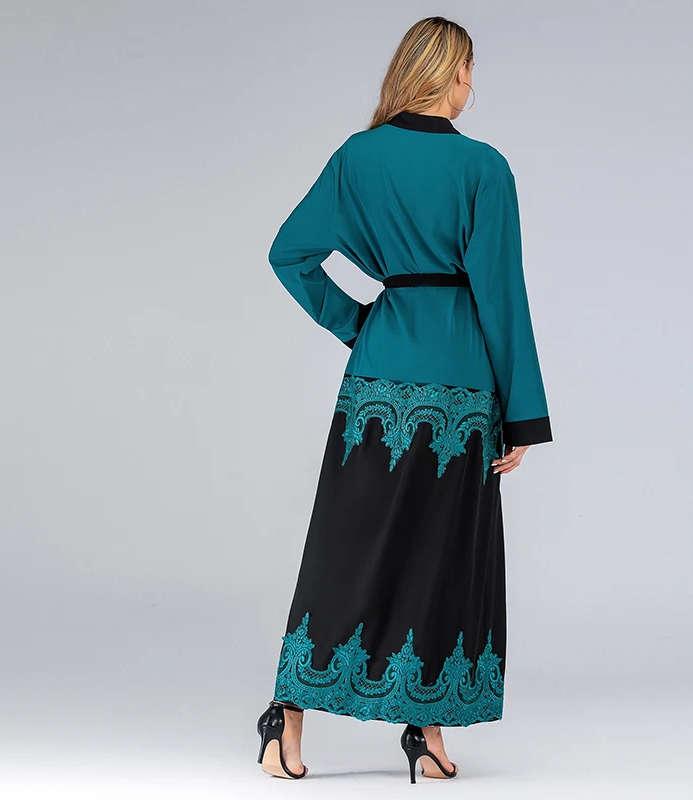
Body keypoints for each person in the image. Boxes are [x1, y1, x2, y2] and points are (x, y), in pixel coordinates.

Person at [256, 15, 553, 783]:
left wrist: (359, 321)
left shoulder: (358, 157)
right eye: (469, 70)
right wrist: (523, 413)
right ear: (453, 73)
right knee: (443, 554)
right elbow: (502, 295)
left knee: (347, 544)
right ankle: (426, 727)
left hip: (380, 375)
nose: (471, 85)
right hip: (462, 381)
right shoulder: (483, 168)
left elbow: (291, 252)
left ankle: (287, 717)